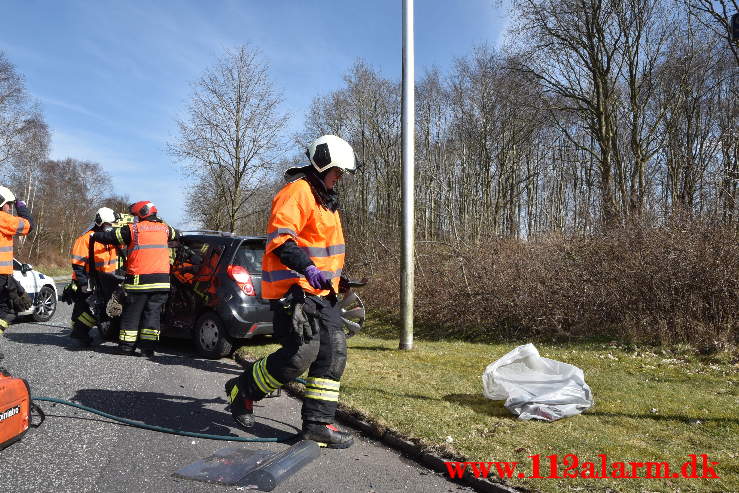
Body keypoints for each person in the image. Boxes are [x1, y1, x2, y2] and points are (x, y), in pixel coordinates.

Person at [224, 135, 357, 449]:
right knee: (301, 354)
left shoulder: (325, 200)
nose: (340, 177)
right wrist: (308, 269)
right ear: (322, 163)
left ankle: (317, 425)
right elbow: (283, 242)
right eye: (338, 170)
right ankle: (243, 389)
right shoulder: (296, 192)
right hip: (295, 291)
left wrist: (338, 278)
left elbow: (324, 250)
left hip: (322, 294)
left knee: (334, 353)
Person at [92, 201, 178, 357]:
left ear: (142, 214)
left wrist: (95, 235)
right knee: (152, 315)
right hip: (162, 282)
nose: (135, 219)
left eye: (136, 216)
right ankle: (148, 349)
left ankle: (127, 347)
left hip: (139, 282)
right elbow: (178, 235)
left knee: (132, 314)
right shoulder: (165, 229)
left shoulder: (134, 230)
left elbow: (110, 236)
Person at [68, 207, 120, 347]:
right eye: (109, 224)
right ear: (100, 222)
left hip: (106, 280)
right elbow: (78, 264)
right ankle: (79, 334)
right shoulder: (85, 239)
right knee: (88, 309)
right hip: (88, 280)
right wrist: (84, 283)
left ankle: (79, 333)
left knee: (92, 309)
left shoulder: (109, 239)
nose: (111, 227)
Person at [0, 186, 32, 337]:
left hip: (4, 276)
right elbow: (28, 225)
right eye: (9, 204)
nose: (10, 208)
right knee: (9, 308)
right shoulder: (2, 218)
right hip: (1, 275)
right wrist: (22, 206)